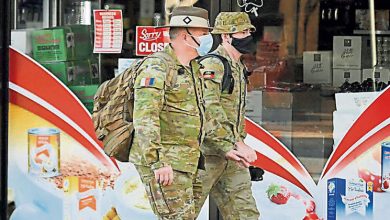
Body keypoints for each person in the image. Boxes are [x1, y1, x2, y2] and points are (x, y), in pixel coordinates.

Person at [128, 6, 213, 219]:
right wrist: (157, 161)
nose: (208, 39)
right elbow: (145, 117)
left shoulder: (193, 68)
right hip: (166, 163)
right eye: (203, 34)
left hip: (187, 161)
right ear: (186, 36)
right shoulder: (157, 67)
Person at [196, 12, 261, 220]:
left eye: (249, 31)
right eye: (241, 32)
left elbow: (234, 112)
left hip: (231, 154)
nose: (248, 36)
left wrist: (237, 142)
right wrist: (233, 144)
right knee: (183, 213)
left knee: (245, 213)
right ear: (225, 36)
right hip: (206, 154)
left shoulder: (238, 66)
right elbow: (208, 108)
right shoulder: (214, 65)